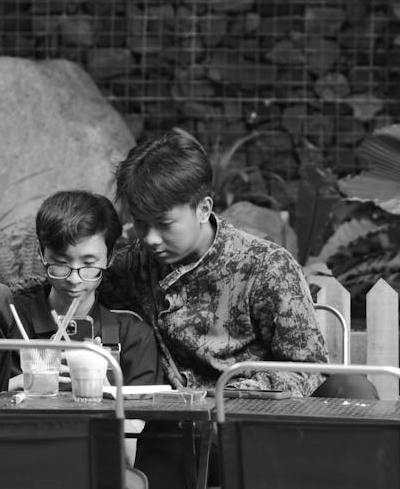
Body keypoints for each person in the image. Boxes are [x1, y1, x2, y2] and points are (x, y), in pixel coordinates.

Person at [99, 128, 377, 488]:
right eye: (140, 223)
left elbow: (308, 367)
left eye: (164, 224)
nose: (150, 238)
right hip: (179, 432)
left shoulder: (265, 267)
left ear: (203, 208)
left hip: (261, 426)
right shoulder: (134, 265)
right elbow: (75, 284)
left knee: (353, 388)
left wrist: (234, 396)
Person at [0, 190, 159, 412]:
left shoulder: (132, 336)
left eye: (89, 264)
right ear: (41, 254)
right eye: (60, 263)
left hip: (86, 457)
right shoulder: (1, 318)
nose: (73, 279)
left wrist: (102, 394)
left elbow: (127, 452)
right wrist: (18, 385)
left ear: (110, 257)